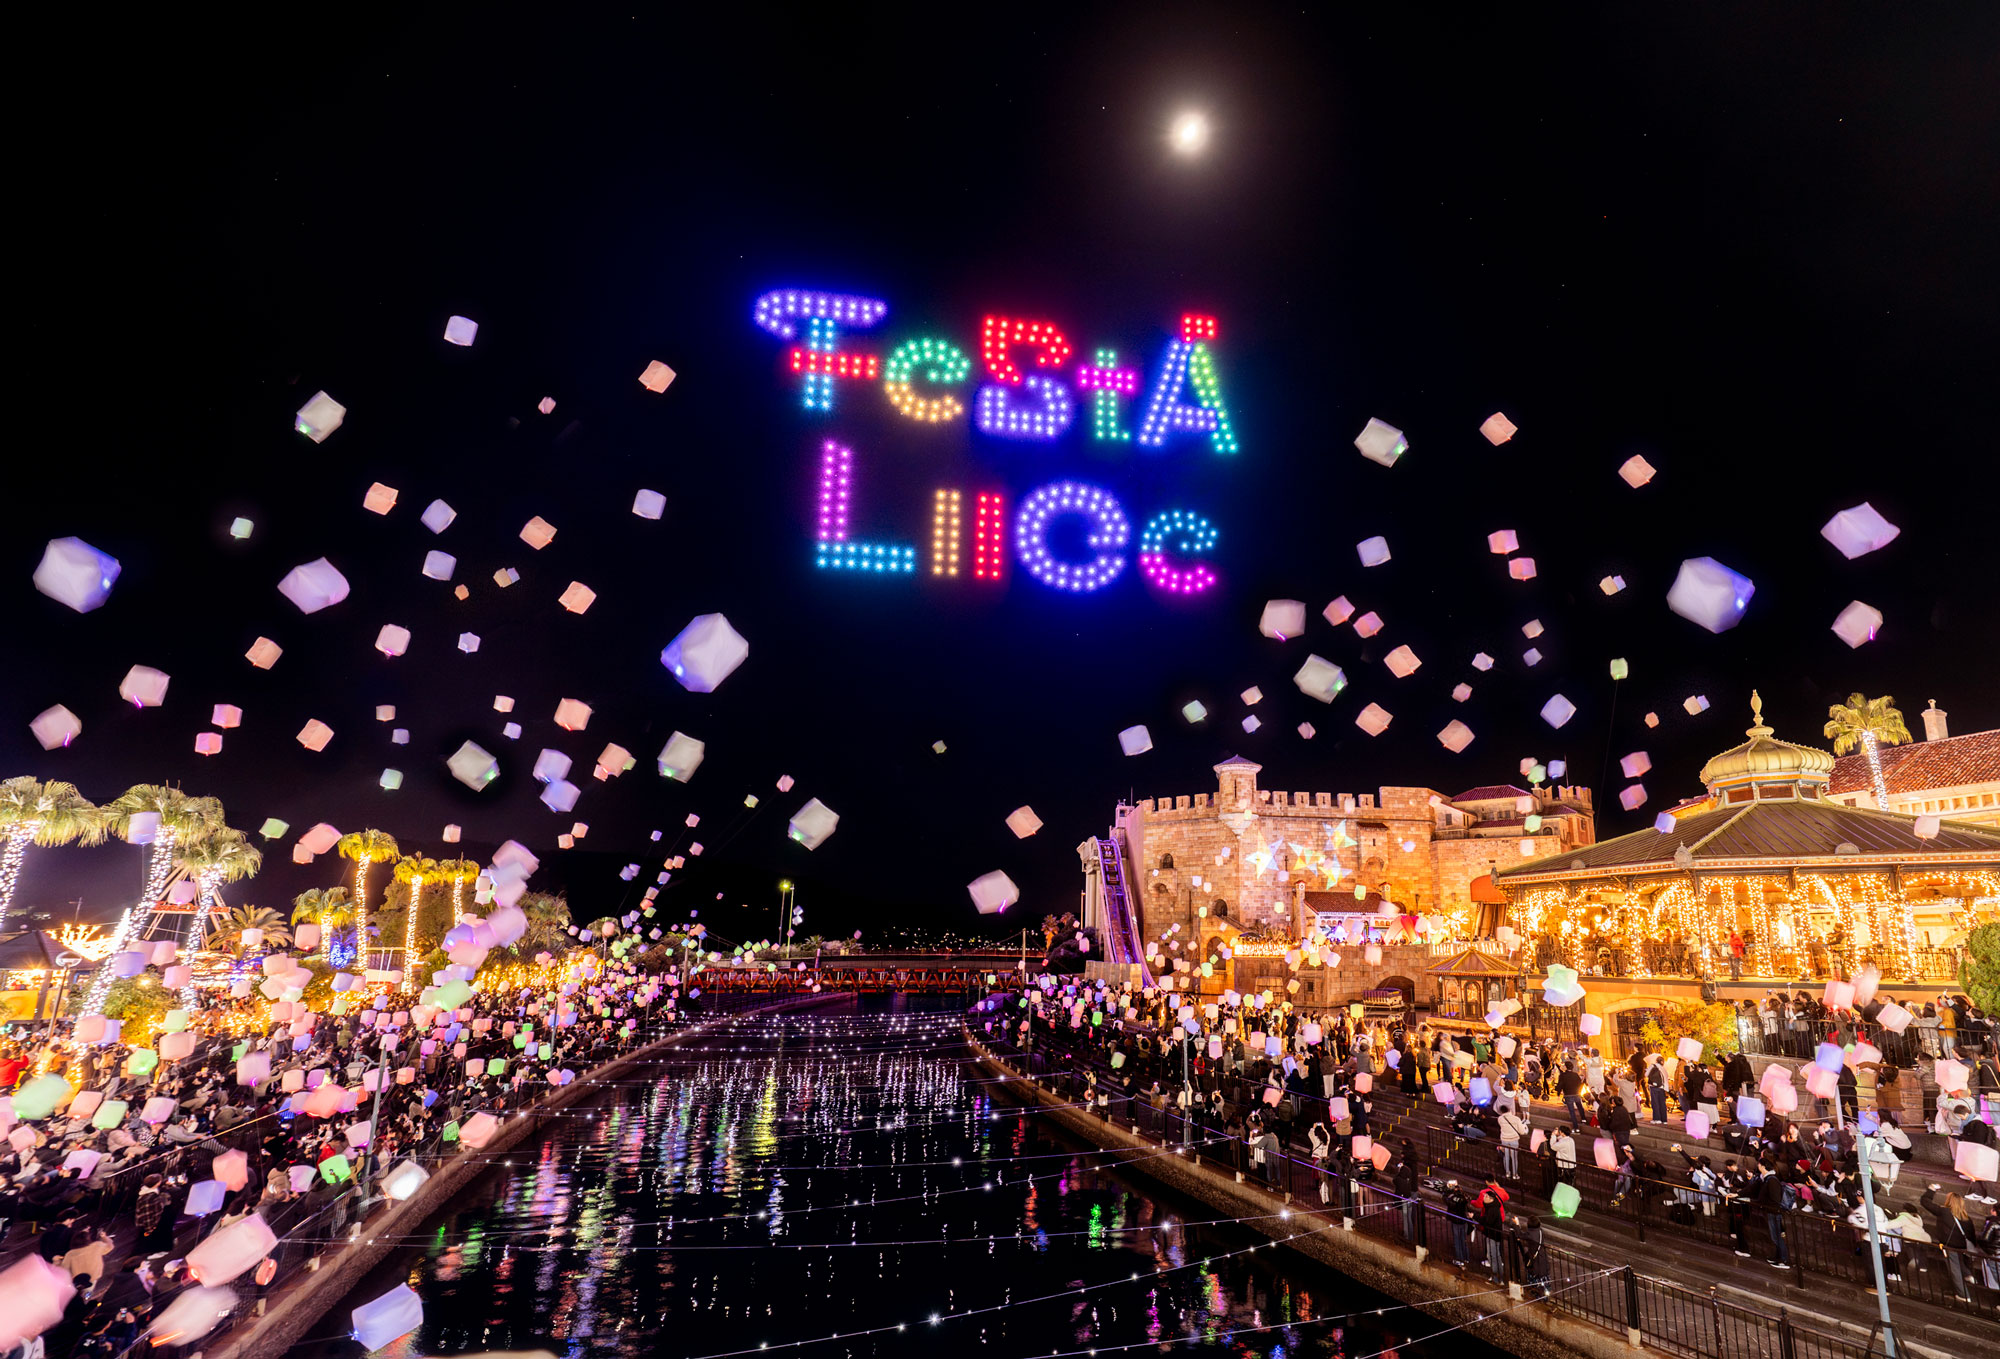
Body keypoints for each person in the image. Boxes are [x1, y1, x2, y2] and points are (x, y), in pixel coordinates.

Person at [1917, 1185, 1976, 1301]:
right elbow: (1971, 1235)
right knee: (1959, 1261)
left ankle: (1963, 1295)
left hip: (1949, 1245)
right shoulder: (1966, 1217)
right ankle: (1968, 1275)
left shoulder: (1944, 1211)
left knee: (1954, 1269)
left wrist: (1931, 1190)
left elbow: (1925, 1202)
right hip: (1962, 1246)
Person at [1498, 1103, 1530, 1180]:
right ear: (1509, 1110)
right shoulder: (1516, 1119)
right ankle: (1515, 1174)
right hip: (1514, 1140)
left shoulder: (1500, 1119)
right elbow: (1521, 1132)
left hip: (1504, 1139)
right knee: (1514, 1157)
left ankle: (1507, 1173)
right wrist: (1525, 1128)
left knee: (1506, 1156)